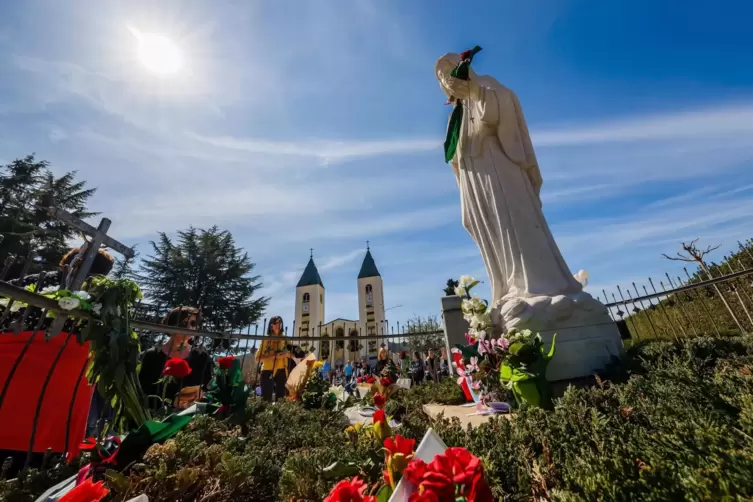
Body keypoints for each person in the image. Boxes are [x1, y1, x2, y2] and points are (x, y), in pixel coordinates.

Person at [138, 307, 209, 410]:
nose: (189, 328)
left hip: (187, 415)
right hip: (152, 412)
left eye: (193, 324)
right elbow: (143, 387)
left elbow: (206, 387)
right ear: (170, 326)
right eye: (184, 324)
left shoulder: (201, 357)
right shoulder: (152, 355)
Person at [256, 316, 290, 402]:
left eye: (280, 323)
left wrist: (288, 354)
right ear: (271, 325)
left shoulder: (285, 339)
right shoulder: (266, 339)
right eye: (275, 323)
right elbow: (257, 359)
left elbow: (293, 352)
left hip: (282, 370)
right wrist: (274, 357)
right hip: (267, 370)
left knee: (281, 400)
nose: (278, 325)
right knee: (266, 400)